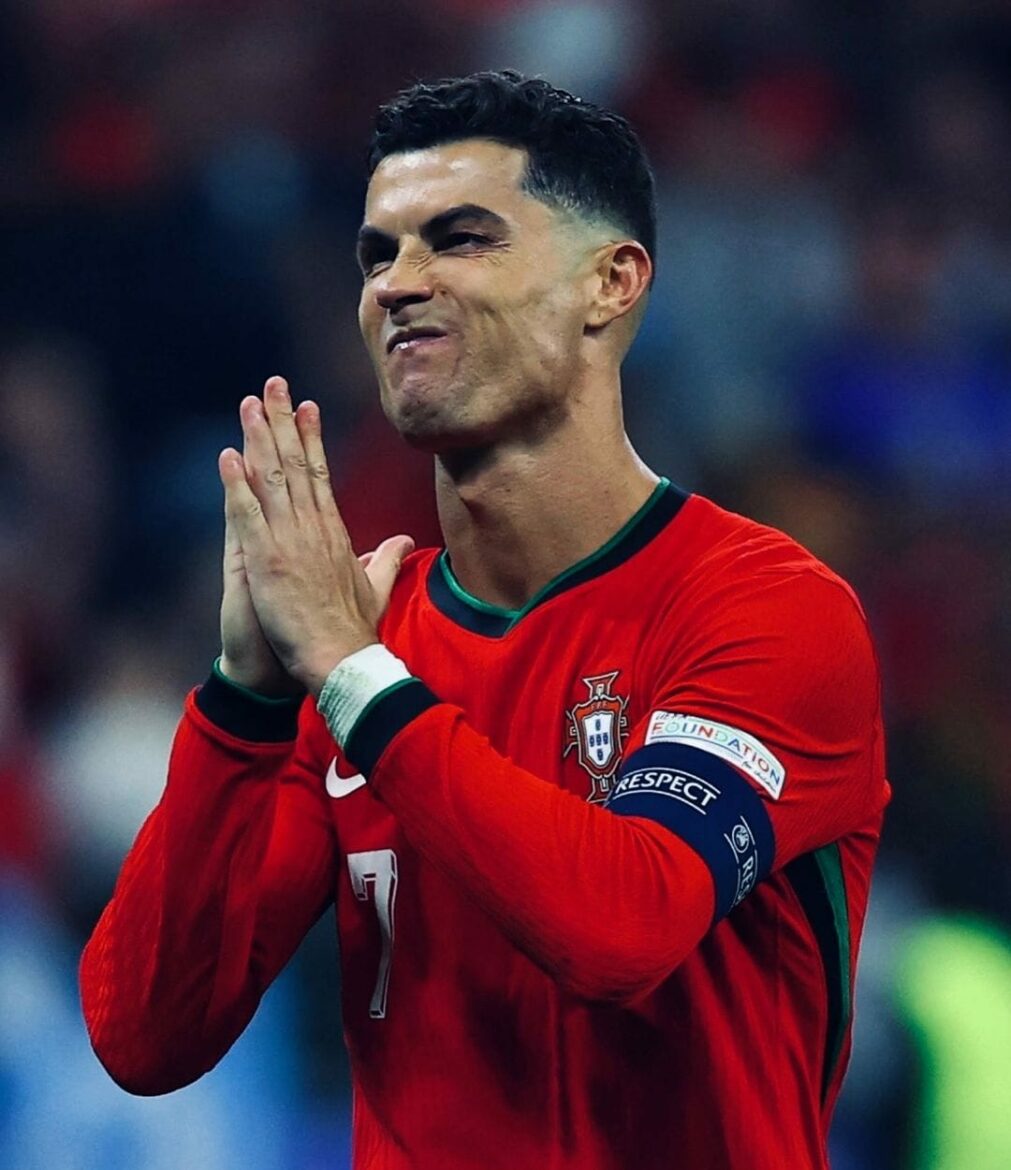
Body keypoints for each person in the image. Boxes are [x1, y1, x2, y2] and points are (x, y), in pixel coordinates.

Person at [80, 71, 889, 1170]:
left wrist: (352, 674)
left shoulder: (765, 609)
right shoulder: (360, 644)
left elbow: (623, 927)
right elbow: (144, 1036)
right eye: (377, 255)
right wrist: (244, 701)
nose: (398, 285)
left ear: (610, 284)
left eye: (459, 239)